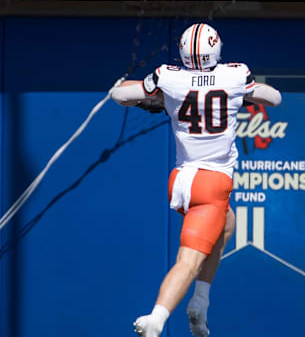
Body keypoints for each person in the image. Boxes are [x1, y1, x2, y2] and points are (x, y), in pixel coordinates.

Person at [111, 23, 281, 337]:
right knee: (188, 261)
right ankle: (156, 319)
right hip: (212, 184)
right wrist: (242, 97)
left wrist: (159, 98)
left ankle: (200, 301)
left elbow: (120, 94)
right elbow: (274, 97)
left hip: (181, 181)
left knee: (228, 225)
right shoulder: (235, 75)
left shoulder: (169, 76)